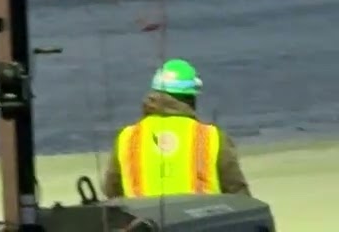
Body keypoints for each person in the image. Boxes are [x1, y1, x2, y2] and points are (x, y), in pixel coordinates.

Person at [102, 58, 251, 198]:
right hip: (200, 223)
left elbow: (112, 192)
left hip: (142, 224)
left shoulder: (127, 137)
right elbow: (238, 194)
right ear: (191, 98)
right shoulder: (211, 137)